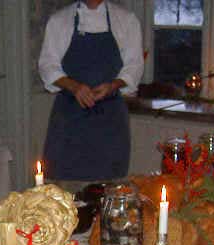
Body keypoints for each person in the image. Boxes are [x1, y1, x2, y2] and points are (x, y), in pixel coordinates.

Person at [38, 0, 144, 186]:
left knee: (109, 191)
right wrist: (74, 86)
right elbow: (47, 65)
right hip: (69, 120)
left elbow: (134, 66)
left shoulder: (126, 20)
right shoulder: (59, 20)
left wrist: (113, 85)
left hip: (109, 120)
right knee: (64, 193)